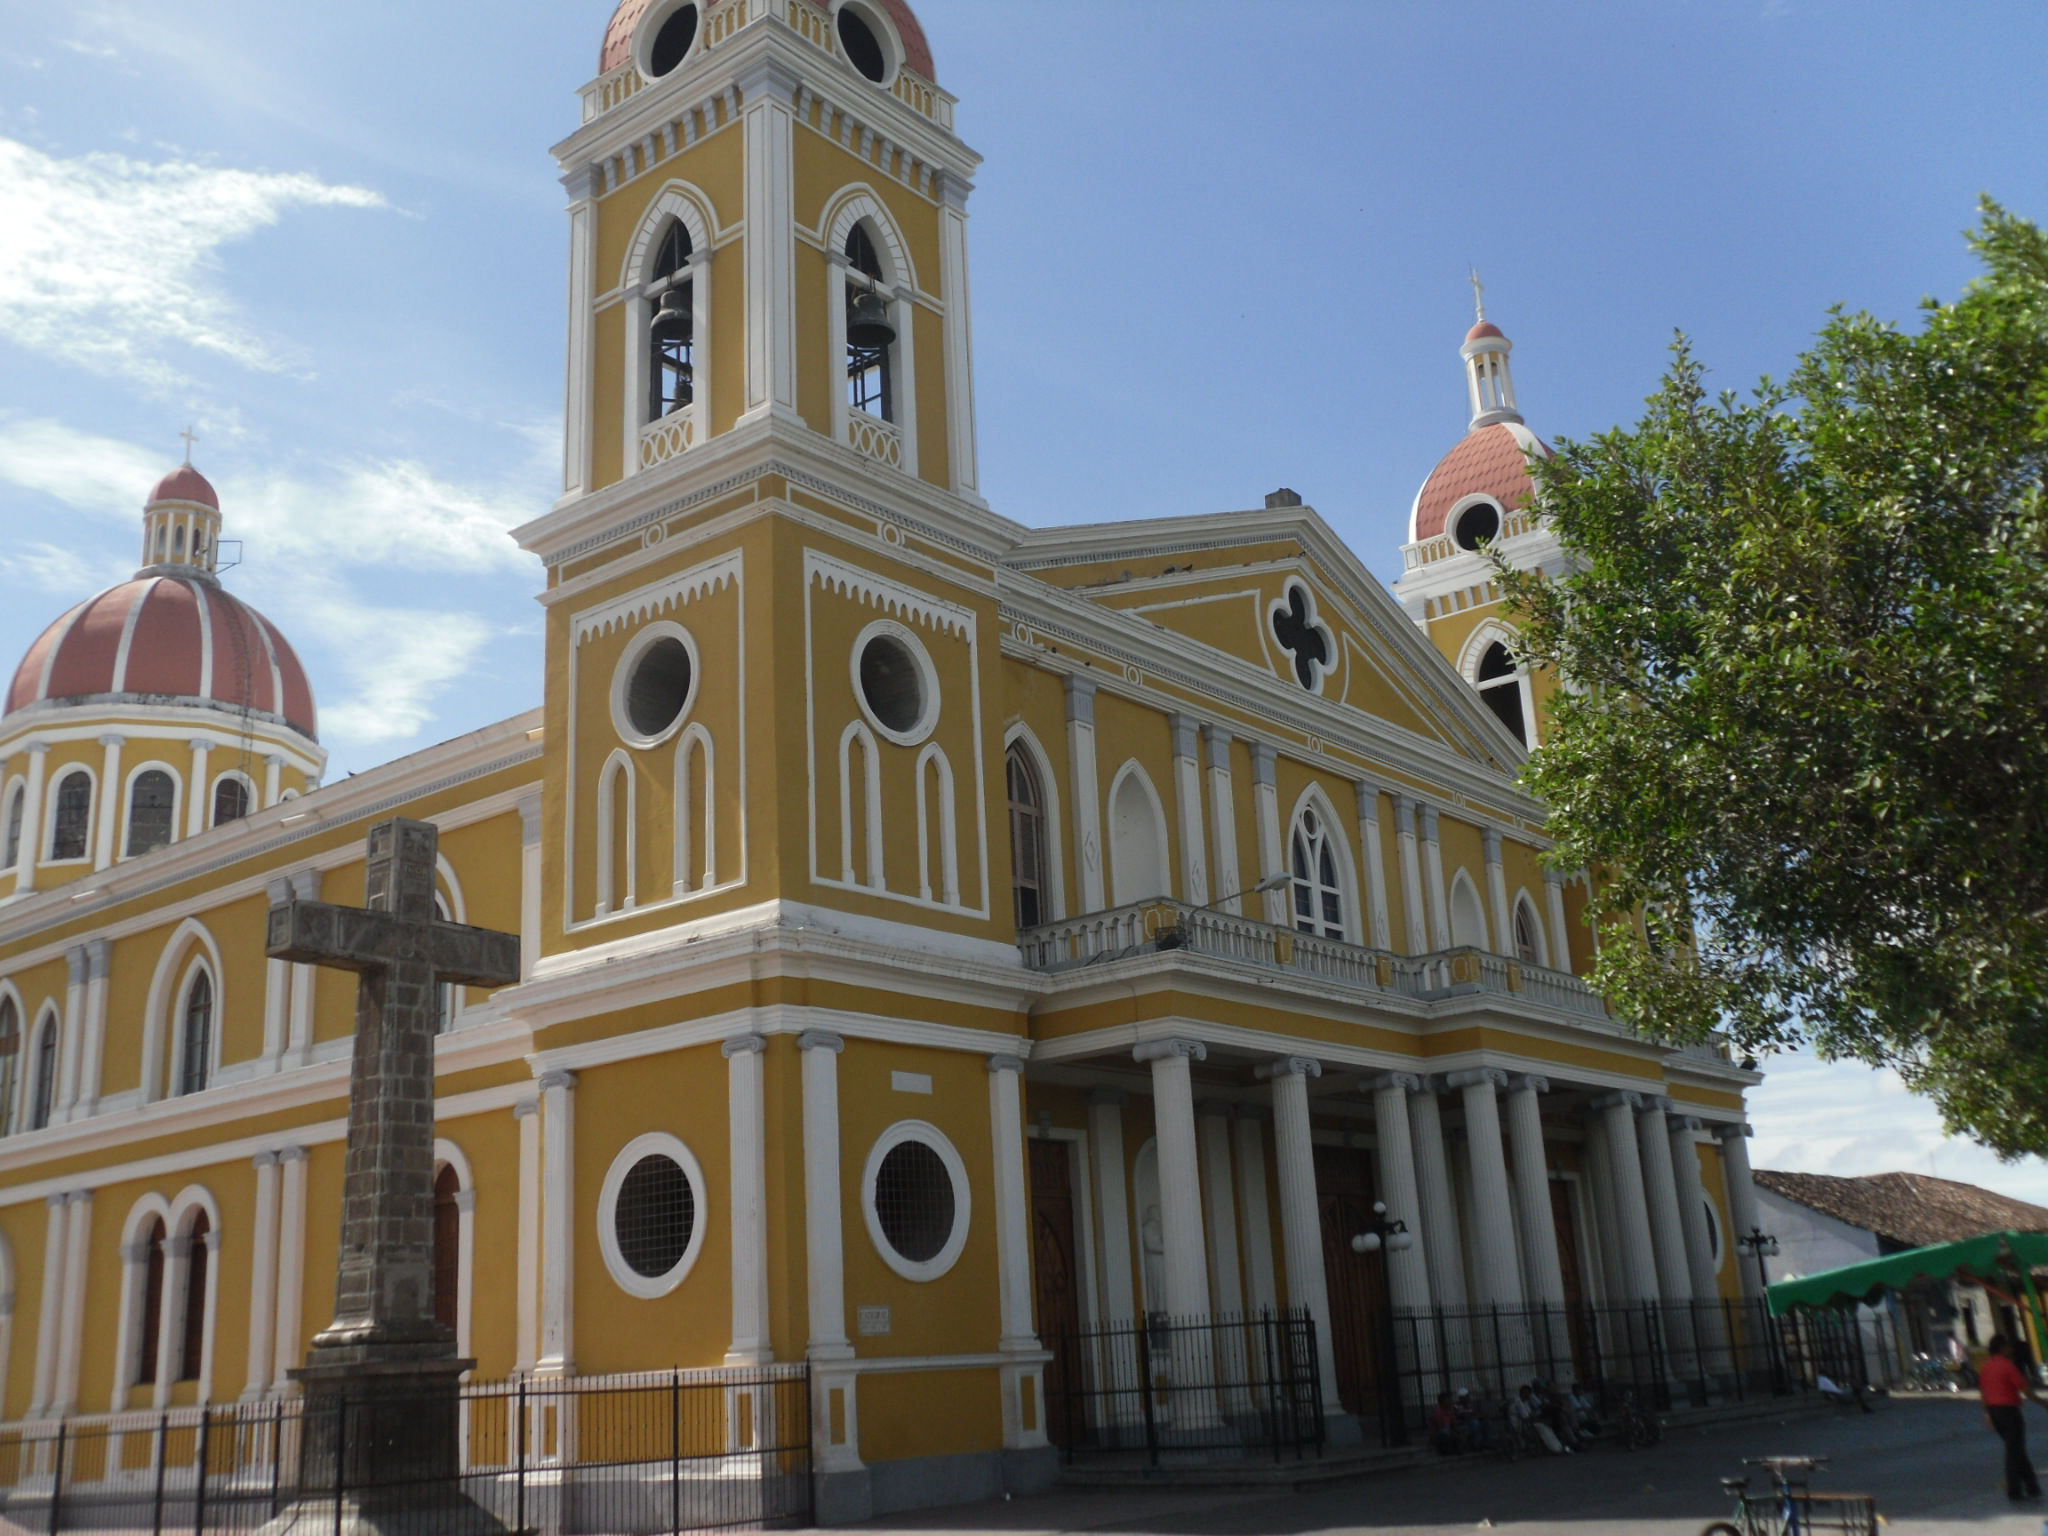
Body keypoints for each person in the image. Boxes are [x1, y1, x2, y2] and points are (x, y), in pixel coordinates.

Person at [1980, 1333, 2044, 1502]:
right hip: (2009, 1411)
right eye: (2007, 1345)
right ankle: (2014, 1490)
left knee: (2016, 1449)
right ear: (2001, 1348)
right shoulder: (2007, 1365)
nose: (2011, 1348)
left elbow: (1984, 1392)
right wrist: (2043, 1403)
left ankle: (2032, 1487)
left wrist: (1987, 1413)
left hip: (1994, 1411)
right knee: (2014, 1451)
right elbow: (2025, 1390)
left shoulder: (1986, 1367)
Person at [1428, 1390, 1463, 1456]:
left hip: (1447, 1431)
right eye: (1449, 1399)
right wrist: (1455, 1434)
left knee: (1463, 1429)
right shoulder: (1438, 1411)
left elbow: (1454, 1424)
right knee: (1446, 1432)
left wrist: (1460, 1433)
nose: (1451, 1401)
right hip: (1438, 1434)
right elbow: (1440, 1427)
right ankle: (1447, 1450)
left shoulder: (1450, 1410)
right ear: (1444, 1401)